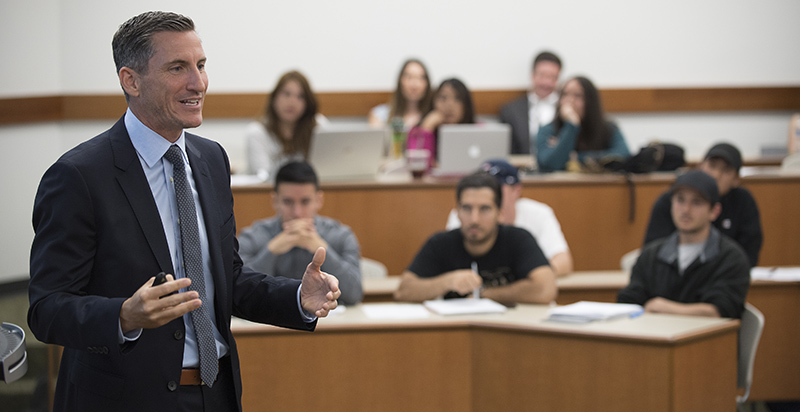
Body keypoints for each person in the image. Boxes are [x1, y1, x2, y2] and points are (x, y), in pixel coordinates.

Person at [27, 11, 340, 412]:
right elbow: (46, 309)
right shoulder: (78, 176)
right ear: (131, 80)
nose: (199, 83)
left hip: (217, 391)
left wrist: (297, 297)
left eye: (201, 65)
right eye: (178, 68)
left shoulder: (211, 160)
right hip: (125, 399)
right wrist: (123, 315)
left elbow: (228, 280)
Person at [394, 172, 557, 304]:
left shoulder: (518, 239)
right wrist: (447, 281)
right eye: (467, 208)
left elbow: (546, 289)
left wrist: (485, 294)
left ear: (500, 213)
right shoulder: (440, 243)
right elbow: (403, 291)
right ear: (456, 211)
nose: (474, 219)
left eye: (484, 209)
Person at [618, 171, 750, 318]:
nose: (686, 210)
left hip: (706, 339)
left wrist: (663, 307)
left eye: (696, 202)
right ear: (671, 204)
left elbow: (722, 311)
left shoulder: (731, 258)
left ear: (714, 211)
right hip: (655, 336)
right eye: (680, 200)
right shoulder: (651, 255)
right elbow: (629, 302)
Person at [238, 161, 363, 305]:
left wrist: (322, 250)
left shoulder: (341, 236)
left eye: (305, 202)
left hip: (325, 323)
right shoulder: (252, 237)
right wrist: (270, 251)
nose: (297, 213)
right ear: (275, 201)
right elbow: (240, 294)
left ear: (319, 200)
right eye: (287, 202)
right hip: (270, 325)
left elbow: (354, 294)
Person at [643, 143, 763, 267]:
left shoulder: (743, 201)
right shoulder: (670, 199)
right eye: (712, 166)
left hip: (726, 274)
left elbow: (750, 252)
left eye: (726, 170)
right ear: (700, 167)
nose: (716, 175)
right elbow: (652, 251)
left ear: (736, 179)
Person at [445, 160, 573, 276]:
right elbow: (450, 264)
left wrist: (530, 277)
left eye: (496, 186)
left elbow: (563, 262)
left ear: (516, 190)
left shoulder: (539, 213)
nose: (488, 192)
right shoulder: (465, 214)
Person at [537, 76, 630, 172]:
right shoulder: (548, 129)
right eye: (565, 95)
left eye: (578, 96)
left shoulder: (608, 128)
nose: (569, 101)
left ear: (590, 101)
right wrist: (571, 125)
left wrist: (576, 158)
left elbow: (623, 155)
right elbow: (549, 163)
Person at [245, 70, 328, 178]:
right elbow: (263, 177)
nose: (292, 102)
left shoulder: (319, 127)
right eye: (286, 94)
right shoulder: (257, 133)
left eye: (300, 96)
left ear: (308, 102)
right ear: (274, 97)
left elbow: (326, 169)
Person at [499, 51, 562, 155]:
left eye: (552, 77)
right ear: (532, 75)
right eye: (542, 76)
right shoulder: (511, 110)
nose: (546, 83)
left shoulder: (566, 108)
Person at [405, 78, 476, 168]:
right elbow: (416, 166)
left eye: (457, 98)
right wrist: (427, 128)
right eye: (443, 98)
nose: (449, 105)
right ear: (433, 101)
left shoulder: (479, 131)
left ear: (466, 104)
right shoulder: (417, 131)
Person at [367, 58, 434, 130]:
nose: (414, 84)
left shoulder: (434, 116)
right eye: (409, 77)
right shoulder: (380, 115)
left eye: (421, 78)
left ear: (427, 84)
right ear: (400, 81)